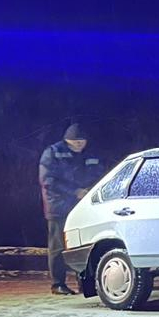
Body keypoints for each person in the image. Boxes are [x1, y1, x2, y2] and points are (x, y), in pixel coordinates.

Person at [38, 123, 104, 295]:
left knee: (83, 245)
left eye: (82, 141)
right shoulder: (52, 153)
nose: (79, 144)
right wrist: (75, 192)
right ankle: (58, 284)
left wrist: (90, 192)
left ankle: (85, 284)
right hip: (59, 207)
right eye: (75, 141)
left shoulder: (91, 154)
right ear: (66, 140)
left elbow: (101, 175)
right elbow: (48, 181)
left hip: (83, 207)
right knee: (58, 247)